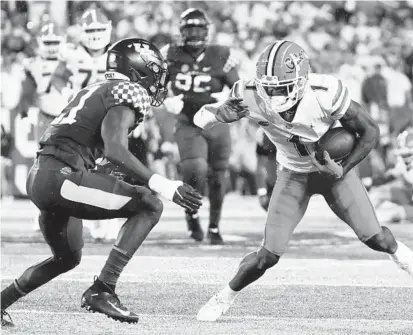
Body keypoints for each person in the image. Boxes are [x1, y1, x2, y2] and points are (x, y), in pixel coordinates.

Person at [194, 40, 413, 321]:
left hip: (331, 172)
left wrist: (343, 169)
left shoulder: (325, 92)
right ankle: (223, 297)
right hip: (293, 175)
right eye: (268, 87)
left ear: (301, 79)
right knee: (268, 255)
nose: (272, 95)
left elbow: (370, 131)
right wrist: (218, 115)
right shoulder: (247, 93)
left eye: (280, 88)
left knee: (378, 239)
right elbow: (201, 118)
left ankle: (405, 260)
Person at [0, 37, 202, 327]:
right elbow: (115, 149)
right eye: (155, 73)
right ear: (137, 71)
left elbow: (95, 150)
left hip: (43, 177)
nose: (158, 81)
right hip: (63, 178)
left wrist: (114, 173)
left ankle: (1, 300)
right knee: (150, 204)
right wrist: (164, 184)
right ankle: (103, 289)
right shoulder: (127, 91)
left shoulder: (97, 88)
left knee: (67, 258)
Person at [160, 8, 240, 244]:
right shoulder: (170, 54)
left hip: (216, 121)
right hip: (187, 121)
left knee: (218, 174)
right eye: (189, 28)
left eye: (198, 28)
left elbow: (239, 88)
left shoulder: (221, 54)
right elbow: (156, 86)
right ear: (181, 31)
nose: (194, 33)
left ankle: (214, 225)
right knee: (195, 169)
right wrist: (166, 99)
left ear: (207, 31)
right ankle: (192, 215)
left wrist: (227, 98)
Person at [51, 8, 112, 100]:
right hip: (78, 109)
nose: (95, 35)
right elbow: (56, 76)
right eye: (90, 30)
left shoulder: (118, 54)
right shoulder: (72, 52)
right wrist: (68, 94)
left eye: (100, 29)